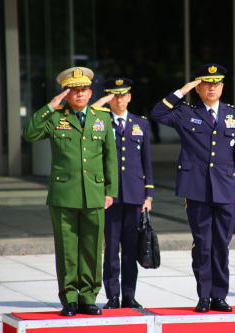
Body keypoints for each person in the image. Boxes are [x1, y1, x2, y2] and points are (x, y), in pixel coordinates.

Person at [150, 64, 235, 313]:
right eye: (207, 83)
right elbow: (157, 113)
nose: (212, 87)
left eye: (217, 83)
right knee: (203, 243)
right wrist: (182, 91)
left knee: (221, 245)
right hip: (197, 188)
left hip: (226, 187)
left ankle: (220, 296)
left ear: (223, 86)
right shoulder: (186, 113)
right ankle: (204, 295)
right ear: (199, 86)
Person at [22, 67, 118, 316]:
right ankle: (70, 298)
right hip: (64, 194)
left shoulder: (102, 118)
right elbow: (30, 133)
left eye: (84, 90)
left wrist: (110, 190)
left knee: (92, 247)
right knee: (67, 248)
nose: (79, 95)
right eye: (74, 91)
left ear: (90, 92)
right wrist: (50, 106)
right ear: (66, 93)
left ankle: (89, 296)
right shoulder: (55, 117)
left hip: (95, 193)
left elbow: (110, 158)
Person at [93, 78, 154, 309]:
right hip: (110, 196)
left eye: (123, 95)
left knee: (130, 249)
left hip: (135, 195)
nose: (119, 100)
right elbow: (88, 114)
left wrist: (148, 195)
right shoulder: (99, 122)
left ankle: (129, 295)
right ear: (109, 98)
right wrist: (100, 103)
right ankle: (113, 296)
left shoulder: (141, 124)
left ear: (129, 97)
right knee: (111, 251)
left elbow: (146, 161)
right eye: (114, 96)